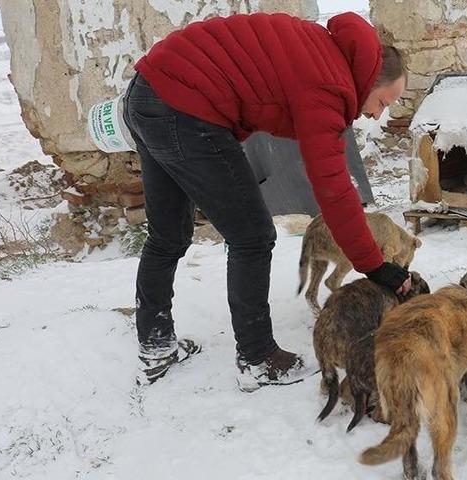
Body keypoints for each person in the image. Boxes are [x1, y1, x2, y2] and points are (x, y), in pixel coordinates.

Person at [123, 11, 411, 392]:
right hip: (185, 109)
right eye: (383, 101)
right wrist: (375, 266)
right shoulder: (330, 85)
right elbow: (335, 191)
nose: (378, 114)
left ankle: (156, 344)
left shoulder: (325, 52)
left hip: (149, 91)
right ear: (370, 79)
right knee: (253, 236)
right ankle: (258, 358)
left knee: (168, 235)